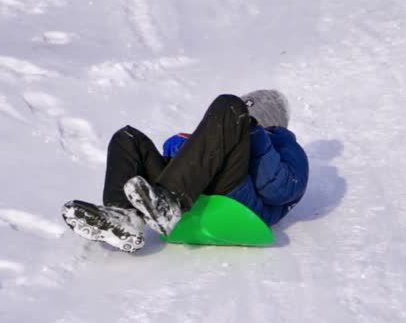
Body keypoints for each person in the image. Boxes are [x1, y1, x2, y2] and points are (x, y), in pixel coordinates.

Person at [62, 90, 309, 252]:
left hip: (240, 200)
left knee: (228, 104)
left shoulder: (283, 144)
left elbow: (281, 190)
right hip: (199, 190)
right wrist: (184, 149)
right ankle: (125, 218)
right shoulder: (228, 133)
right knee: (128, 138)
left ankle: (170, 204)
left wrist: (253, 133)